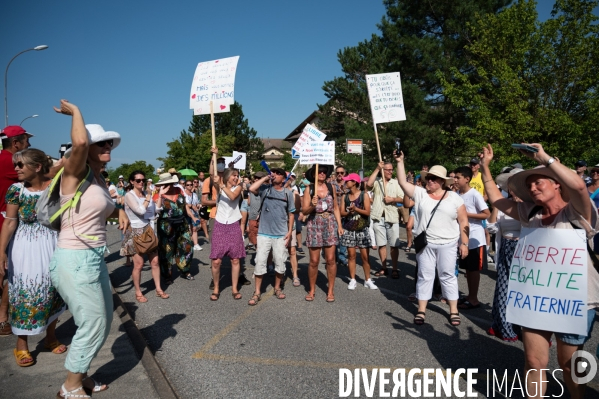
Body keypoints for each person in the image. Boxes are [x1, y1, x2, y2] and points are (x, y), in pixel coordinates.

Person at [480, 143, 599, 398]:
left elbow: (578, 186)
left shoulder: (577, 212)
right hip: (535, 301)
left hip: (575, 301)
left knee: (569, 368)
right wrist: (484, 168)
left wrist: (543, 157)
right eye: (529, 186)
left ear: (557, 183)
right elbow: (495, 198)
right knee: (534, 362)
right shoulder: (529, 212)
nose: (533, 189)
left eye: (539, 183)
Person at [50, 100, 120, 397]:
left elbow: (102, 210)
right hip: (74, 259)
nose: (106, 145)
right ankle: (71, 386)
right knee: (92, 324)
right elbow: (78, 141)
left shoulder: (97, 177)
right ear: (85, 149)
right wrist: (76, 111)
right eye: (99, 142)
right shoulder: (73, 172)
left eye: (108, 142)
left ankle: (82, 374)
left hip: (93, 258)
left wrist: (122, 211)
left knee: (102, 323)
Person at [0, 148, 67, 367]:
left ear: (37, 167)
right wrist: (0, 251)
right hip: (24, 248)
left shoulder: (56, 186)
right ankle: (21, 345)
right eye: (15, 164)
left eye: (20, 165)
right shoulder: (16, 190)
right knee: (25, 293)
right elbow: (10, 222)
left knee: (53, 290)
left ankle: (50, 337)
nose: (16, 168)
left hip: (53, 244)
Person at [395, 152, 469, 326]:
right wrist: (400, 162)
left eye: (434, 179)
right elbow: (402, 183)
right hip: (426, 243)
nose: (430, 181)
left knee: (447, 276)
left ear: (443, 181)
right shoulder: (420, 194)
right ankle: (421, 310)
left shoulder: (455, 198)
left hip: (448, 243)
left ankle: (453, 310)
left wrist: (464, 243)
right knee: (424, 275)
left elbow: (463, 221)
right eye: (429, 178)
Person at [0, 125, 32, 337]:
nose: (29, 144)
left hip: (6, 221)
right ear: (16, 144)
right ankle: (3, 319)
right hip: (5, 223)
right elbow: (42, 171)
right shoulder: (7, 161)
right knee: (11, 272)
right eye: (26, 141)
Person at [486, 167, 523, 342]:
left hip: (526, 251)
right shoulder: (503, 204)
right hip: (507, 248)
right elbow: (492, 228)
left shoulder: (531, 206)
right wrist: (496, 205)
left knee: (524, 291)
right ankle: (503, 326)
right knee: (504, 288)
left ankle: (527, 328)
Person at [247, 168, 295, 305]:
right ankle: (257, 292)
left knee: (280, 263)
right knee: (260, 263)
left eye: (278, 173)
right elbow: (251, 188)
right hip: (263, 233)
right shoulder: (265, 189)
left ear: (284, 178)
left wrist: (290, 231)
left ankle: (277, 288)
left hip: (281, 234)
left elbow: (291, 213)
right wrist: (265, 178)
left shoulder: (288, 193)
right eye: (273, 172)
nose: (274, 175)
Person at [121, 170, 169, 302]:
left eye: (143, 180)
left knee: (155, 261)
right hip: (136, 231)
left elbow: (155, 211)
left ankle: (158, 289)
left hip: (148, 230)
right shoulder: (129, 196)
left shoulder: (145, 195)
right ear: (132, 182)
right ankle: (138, 292)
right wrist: (149, 196)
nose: (141, 182)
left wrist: (159, 196)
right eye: (138, 180)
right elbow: (141, 211)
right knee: (139, 264)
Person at [302, 164, 343, 302]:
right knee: (314, 261)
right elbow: (304, 211)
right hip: (314, 223)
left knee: (331, 259)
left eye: (324, 172)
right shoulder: (309, 189)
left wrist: (339, 225)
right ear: (314, 174)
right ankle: (312, 289)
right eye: (320, 171)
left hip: (330, 223)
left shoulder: (331, 187)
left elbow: (336, 208)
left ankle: (330, 291)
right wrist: (312, 205)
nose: (322, 173)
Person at [453, 166, 490, 310]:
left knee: (473, 270)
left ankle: (474, 299)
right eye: (455, 177)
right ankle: (469, 295)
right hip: (462, 237)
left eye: (458, 177)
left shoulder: (474, 194)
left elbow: (486, 214)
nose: (455, 180)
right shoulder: (456, 194)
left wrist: (465, 214)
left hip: (475, 237)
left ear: (467, 179)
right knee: (467, 269)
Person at [209, 168, 246, 301]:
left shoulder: (238, 187)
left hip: (233, 224)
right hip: (219, 224)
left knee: (235, 259)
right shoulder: (219, 186)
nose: (236, 178)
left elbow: (233, 196)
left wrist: (222, 185)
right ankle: (216, 287)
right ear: (227, 176)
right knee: (216, 261)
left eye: (237, 175)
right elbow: (212, 174)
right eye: (233, 175)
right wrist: (213, 157)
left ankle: (234, 288)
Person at [366, 162, 405, 279]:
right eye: (387, 170)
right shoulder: (378, 182)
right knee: (381, 244)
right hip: (378, 217)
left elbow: (403, 198)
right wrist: (377, 168)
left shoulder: (396, 183)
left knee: (394, 245)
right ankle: (384, 267)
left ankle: (394, 268)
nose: (390, 171)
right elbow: (368, 184)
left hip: (392, 217)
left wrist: (392, 199)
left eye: (391, 170)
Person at [339, 173, 377, 290]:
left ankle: (367, 280)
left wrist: (356, 209)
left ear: (354, 182)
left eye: (348, 181)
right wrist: (349, 213)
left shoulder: (363, 195)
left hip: (362, 229)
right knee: (351, 256)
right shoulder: (344, 197)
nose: (346, 183)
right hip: (349, 229)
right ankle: (353, 279)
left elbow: (367, 212)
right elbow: (341, 213)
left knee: (365, 257)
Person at [154, 172, 193, 283]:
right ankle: (167, 275)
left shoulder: (179, 190)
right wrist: (161, 195)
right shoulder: (157, 195)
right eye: (167, 184)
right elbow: (155, 212)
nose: (170, 186)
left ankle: (185, 270)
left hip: (182, 223)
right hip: (166, 227)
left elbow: (185, 206)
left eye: (171, 183)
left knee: (187, 246)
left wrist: (193, 218)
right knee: (166, 251)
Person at [331, 166, 348, 267]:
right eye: (338, 173)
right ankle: (336, 256)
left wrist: (344, 191)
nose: (340, 174)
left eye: (341, 172)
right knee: (335, 236)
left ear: (344, 173)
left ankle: (342, 256)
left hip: (345, 213)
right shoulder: (331, 184)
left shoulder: (348, 183)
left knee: (343, 236)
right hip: (335, 213)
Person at [183, 180, 202, 251]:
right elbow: (183, 204)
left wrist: (198, 205)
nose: (190, 186)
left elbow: (197, 202)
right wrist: (191, 205)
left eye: (191, 184)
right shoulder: (183, 194)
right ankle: (187, 244)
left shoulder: (194, 194)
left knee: (194, 228)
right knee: (187, 229)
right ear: (185, 185)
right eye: (188, 185)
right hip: (186, 214)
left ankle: (196, 244)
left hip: (194, 213)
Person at [587, 164, 599, 253]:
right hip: (587, 219)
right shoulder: (584, 186)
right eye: (593, 171)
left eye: (598, 172)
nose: (595, 173)